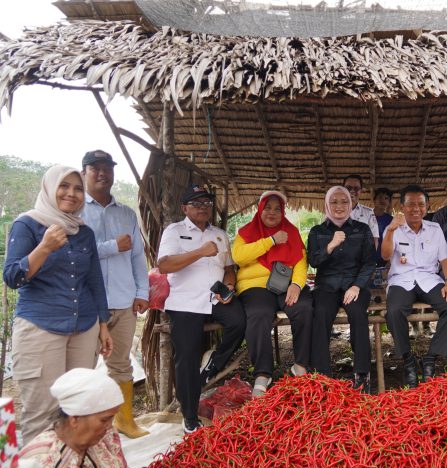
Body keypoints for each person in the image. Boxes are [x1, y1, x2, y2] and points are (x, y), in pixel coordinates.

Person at [4, 165, 113, 444]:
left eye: (78, 188)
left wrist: (103, 325)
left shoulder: (84, 232)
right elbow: (13, 277)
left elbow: (95, 282)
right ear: (50, 188)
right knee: (42, 413)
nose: (71, 193)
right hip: (41, 328)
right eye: (64, 186)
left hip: (84, 327)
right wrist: (45, 247)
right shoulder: (27, 224)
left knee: (79, 407)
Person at [157, 184, 246, 434]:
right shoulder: (174, 232)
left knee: (240, 322)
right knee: (186, 355)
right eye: (196, 204)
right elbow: (164, 265)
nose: (203, 208)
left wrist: (228, 286)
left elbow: (229, 267)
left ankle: (212, 365)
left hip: (215, 297)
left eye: (207, 204)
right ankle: (189, 415)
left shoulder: (219, 233)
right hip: (185, 300)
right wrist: (200, 252)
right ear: (185, 208)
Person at [80, 150, 150, 439]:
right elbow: (73, 253)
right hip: (85, 303)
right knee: (81, 366)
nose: (102, 173)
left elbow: (137, 256)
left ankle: (124, 421)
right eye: (95, 168)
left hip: (123, 300)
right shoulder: (74, 211)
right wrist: (110, 246)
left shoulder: (126, 213)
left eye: (107, 168)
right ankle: (82, 427)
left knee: (120, 363)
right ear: (84, 172)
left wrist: (142, 291)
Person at [20, 368, 158, 468]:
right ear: (74, 419)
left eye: (112, 418)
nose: (110, 426)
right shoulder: (43, 466)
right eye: (104, 419)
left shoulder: (103, 438)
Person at [233, 191, 313, 397]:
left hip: (285, 284)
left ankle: (301, 365)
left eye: (278, 209)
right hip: (255, 286)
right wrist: (270, 241)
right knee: (259, 313)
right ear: (260, 209)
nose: (272, 212)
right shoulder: (246, 232)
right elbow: (239, 257)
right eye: (268, 207)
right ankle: (263, 373)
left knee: (303, 307)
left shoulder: (291, 231)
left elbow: (301, 261)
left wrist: (296, 284)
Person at [381, 185, 447, 387]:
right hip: (402, 279)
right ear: (402, 206)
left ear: (427, 207)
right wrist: (391, 230)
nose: (416, 208)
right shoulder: (393, 228)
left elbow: (445, 259)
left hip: (429, 279)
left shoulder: (434, 229)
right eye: (410, 204)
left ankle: (430, 359)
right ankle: (408, 360)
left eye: (421, 204)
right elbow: (385, 256)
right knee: (393, 310)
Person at [307, 186, 376, 392]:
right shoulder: (317, 231)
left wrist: (356, 286)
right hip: (326, 285)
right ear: (327, 205)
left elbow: (369, 262)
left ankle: (362, 374)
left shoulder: (362, 229)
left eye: (344, 201)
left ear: (351, 204)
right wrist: (330, 246)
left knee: (358, 314)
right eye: (334, 202)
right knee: (320, 314)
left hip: (354, 285)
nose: (339, 206)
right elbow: (313, 261)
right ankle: (322, 375)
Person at [343, 174, 380, 247]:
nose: (352, 191)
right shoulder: (332, 212)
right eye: (348, 188)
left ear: (361, 191)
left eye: (356, 188)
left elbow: (374, 239)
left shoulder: (369, 213)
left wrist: (369, 257)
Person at [373, 187, 394, 268]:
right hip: (366, 261)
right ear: (374, 200)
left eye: (386, 198)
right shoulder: (366, 216)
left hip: (385, 261)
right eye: (380, 197)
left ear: (389, 202)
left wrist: (389, 262)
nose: (383, 200)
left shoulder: (391, 220)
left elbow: (394, 242)